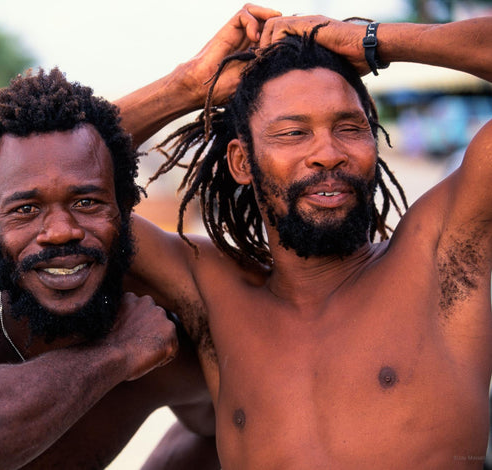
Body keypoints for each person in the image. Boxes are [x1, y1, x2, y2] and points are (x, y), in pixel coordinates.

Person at [0, 5, 286, 465]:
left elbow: (230, 426)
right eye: (26, 209)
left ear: (124, 213)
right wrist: (114, 356)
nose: (61, 231)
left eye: (87, 203)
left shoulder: (160, 340)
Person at [114, 10, 492, 469]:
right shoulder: (212, 295)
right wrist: (190, 86)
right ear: (241, 162)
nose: (328, 154)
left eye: (350, 128)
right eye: (294, 133)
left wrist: (372, 41)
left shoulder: (440, 255)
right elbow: (37, 190)